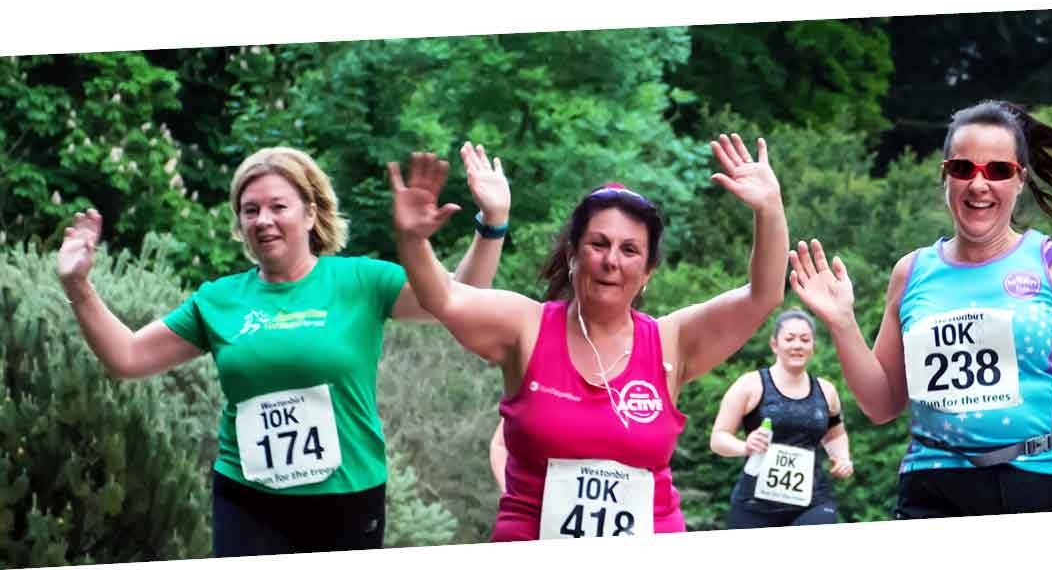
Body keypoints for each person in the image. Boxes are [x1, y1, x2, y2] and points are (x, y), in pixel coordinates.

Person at [55, 143, 512, 556]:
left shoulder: (360, 280)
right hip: (247, 498)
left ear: (311, 213)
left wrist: (492, 223)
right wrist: (78, 286)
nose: (263, 220)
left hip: (348, 497)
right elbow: (127, 358)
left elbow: (459, 299)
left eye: (278, 206)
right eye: (250, 210)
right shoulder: (218, 300)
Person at [389, 133, 789, 539]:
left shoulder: (672, 342)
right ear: (573, 255)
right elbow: (445, 297)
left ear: (648, 270)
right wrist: (412, 240)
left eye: (630, 250)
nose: (611, 261)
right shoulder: (525, 326)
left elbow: (764, 295)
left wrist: (770, 210)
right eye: (598, 244)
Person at [787, 100, 1052, 519]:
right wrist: (843, 323)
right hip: (934, 486)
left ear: (1020, 180)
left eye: (997, 170)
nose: (979, 184)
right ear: (945, 176)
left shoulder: (1051, 261)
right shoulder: (912, 271)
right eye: (964, 169)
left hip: (1043, 482)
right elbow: (882, 404)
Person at [709, 308, 855, 529]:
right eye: (790, 338)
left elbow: (835, 434)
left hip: (813, 501)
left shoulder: (827, 391)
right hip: (755, 503)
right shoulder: (749, 385)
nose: (797, 345)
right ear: (774, 344)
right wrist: (745, 447)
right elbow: (718, 438)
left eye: (805, 340)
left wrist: (843, 458)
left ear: (813, 346)